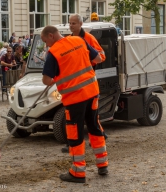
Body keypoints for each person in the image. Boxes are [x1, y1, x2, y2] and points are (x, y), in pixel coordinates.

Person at [41, 26, 108, 183]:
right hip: (92, 92)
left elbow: (46, 80)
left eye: (46, 42)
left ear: (51, 36)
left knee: (75, 132)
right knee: (94, 125)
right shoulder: (79, 40)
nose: (46, 45)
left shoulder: (53, 53)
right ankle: (102, 164)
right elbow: (98, 59)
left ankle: (78, 172)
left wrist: (56, 79)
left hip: (74, 98)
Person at [60, 13, 107, 153]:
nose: (70, 25)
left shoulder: (89, 38)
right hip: (74, 84)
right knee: (76, 117)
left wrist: (86, 60)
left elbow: (101, 55)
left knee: (91, 115)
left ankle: (99, 138)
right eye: (69, 23)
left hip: (87, 82)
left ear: (80, 24)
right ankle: (72, 143)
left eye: (73, 23)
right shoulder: (68, 40)